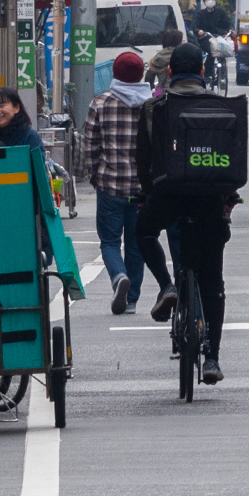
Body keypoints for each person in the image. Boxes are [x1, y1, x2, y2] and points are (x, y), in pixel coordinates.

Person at [134, 44, 237, 385]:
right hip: (209, 200)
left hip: (168, 196)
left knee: (143, 232)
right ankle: (212, 358)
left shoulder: (153, 108)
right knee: (213, 282)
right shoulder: (222, 106)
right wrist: (226, 197)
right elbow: (232, 158)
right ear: (203, 71)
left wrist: (148, 194)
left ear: (170, 72)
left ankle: (166, 286)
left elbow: (143, 161)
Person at [86, 50, 152, 315]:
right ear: (141, 74)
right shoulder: (152, 105)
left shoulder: (100, 103)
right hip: (142, 190)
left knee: (110, 241)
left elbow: (90, 146)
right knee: (136, 244)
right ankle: (132, 299)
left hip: (110, 185)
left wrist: (94, 175)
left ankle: (117, 277)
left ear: (115, 74)